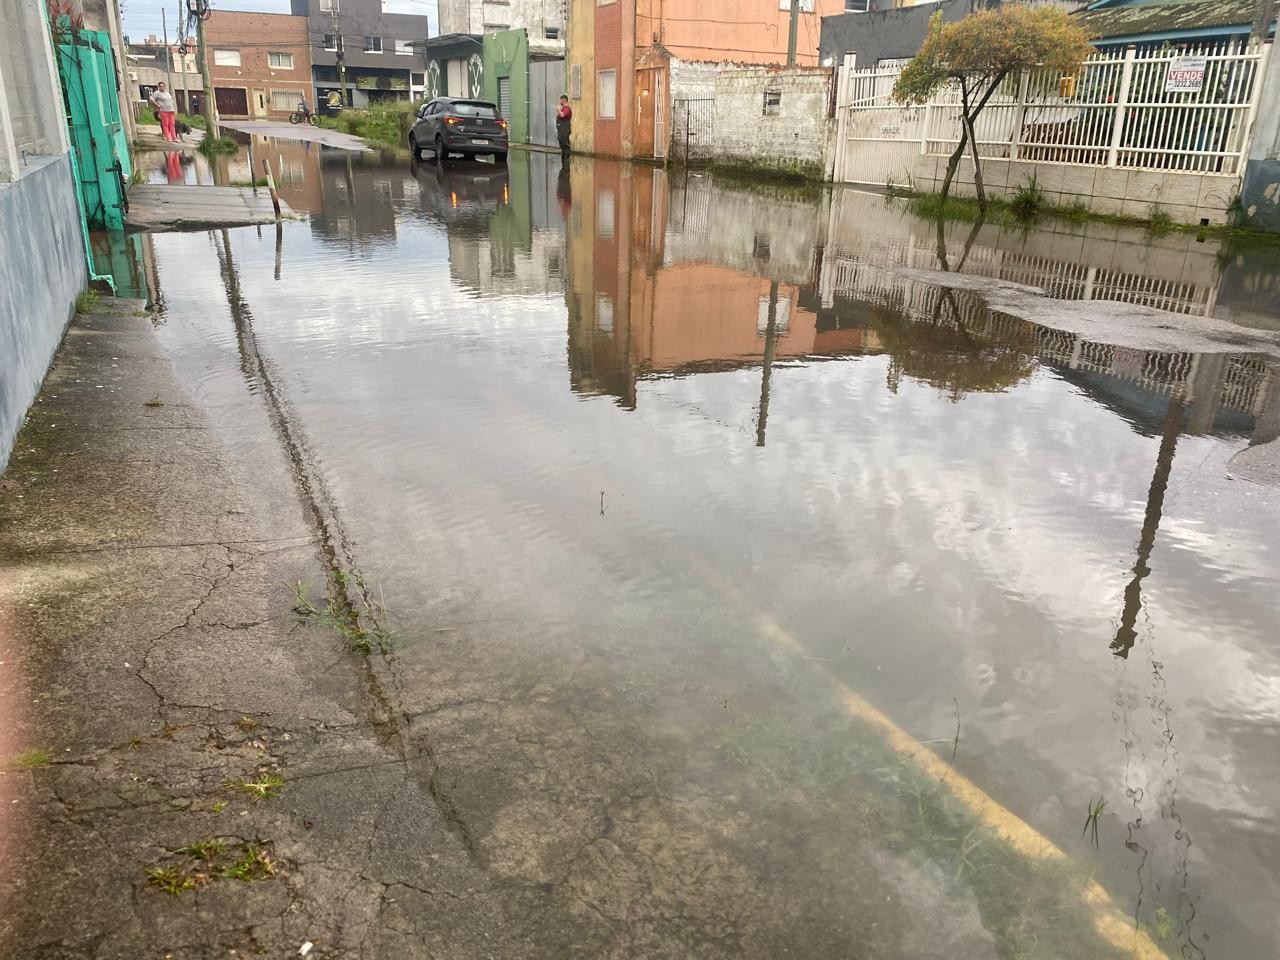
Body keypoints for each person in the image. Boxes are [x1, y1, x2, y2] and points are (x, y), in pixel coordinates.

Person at [555, 94, 572, 162]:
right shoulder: (563, 108)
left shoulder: (567, 109)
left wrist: (558, 110)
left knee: (565, 145)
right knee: (562, 144)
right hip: (561, 130)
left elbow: (562, 115)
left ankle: (566, 160)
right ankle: (564, 160)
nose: (560, 102)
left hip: (565, 130)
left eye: (560, 100)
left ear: (563, 100)